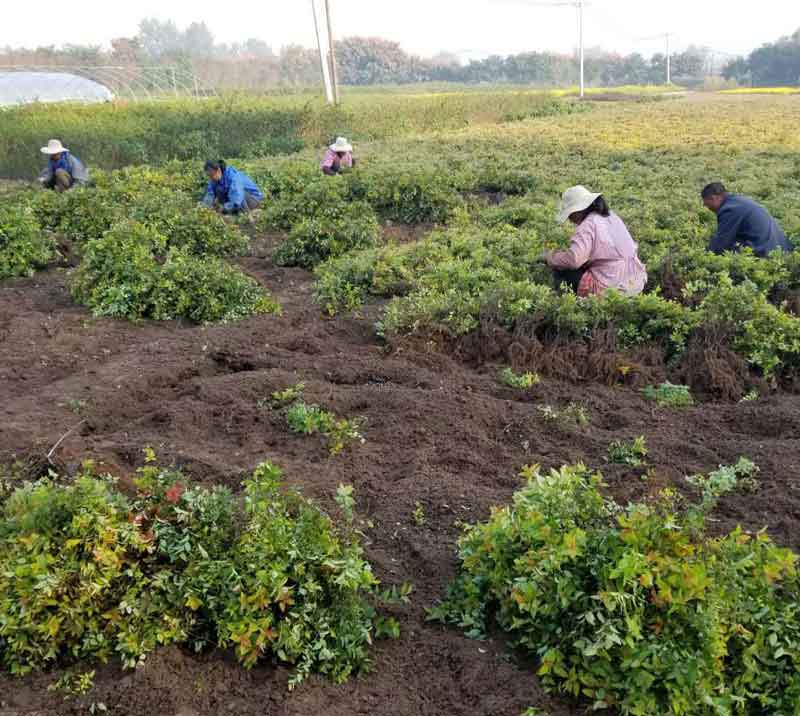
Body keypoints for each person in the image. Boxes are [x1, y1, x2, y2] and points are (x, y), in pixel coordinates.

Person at [542, 185, 647, 297]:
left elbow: (574, 260)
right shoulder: (611, 216)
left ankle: (567, 301)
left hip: (611, 287)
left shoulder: (587, 225)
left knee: (563, 268)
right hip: (635, 280)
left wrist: (550, 257)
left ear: (578, 210)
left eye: (570, 213)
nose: (570, 218)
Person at [701, 182, 791, 256]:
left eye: (706, 204)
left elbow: (720, 243)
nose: (707, 207)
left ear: (714, 198)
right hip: (782, 249)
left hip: (766, 251)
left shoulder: (729, 209)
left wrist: (702, 256)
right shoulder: (737, 201)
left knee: (725, 252)